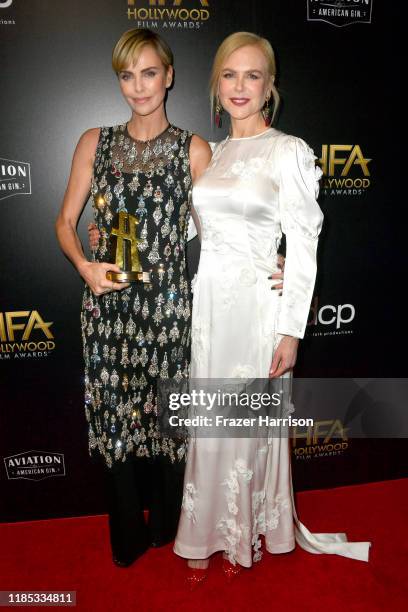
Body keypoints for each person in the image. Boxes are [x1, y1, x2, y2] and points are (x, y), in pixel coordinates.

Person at [171, 32, 371, 585]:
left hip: (259, 311)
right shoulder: (215, 155)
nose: (240, 86)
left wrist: (290, 331)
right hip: (211, 306)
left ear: (270, 88)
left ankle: (242, 532)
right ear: (217, 84)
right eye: (230, 75)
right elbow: (194, 227)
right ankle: (206, 527)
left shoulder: (288, 151)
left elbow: (304, 242)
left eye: (253, 76)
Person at [55, 28, 211, 566]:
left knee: (170, 421)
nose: (138, 87)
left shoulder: (193, 149)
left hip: (168, 309)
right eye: (127, 75)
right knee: (117, 419)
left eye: (149, 73)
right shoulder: (94, 141)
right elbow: (65, 221)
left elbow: (218, 232)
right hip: (107, 308)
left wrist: (273, 261)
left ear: (169, 77)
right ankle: (124, 532)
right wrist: (84, 266)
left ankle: (168, 526)